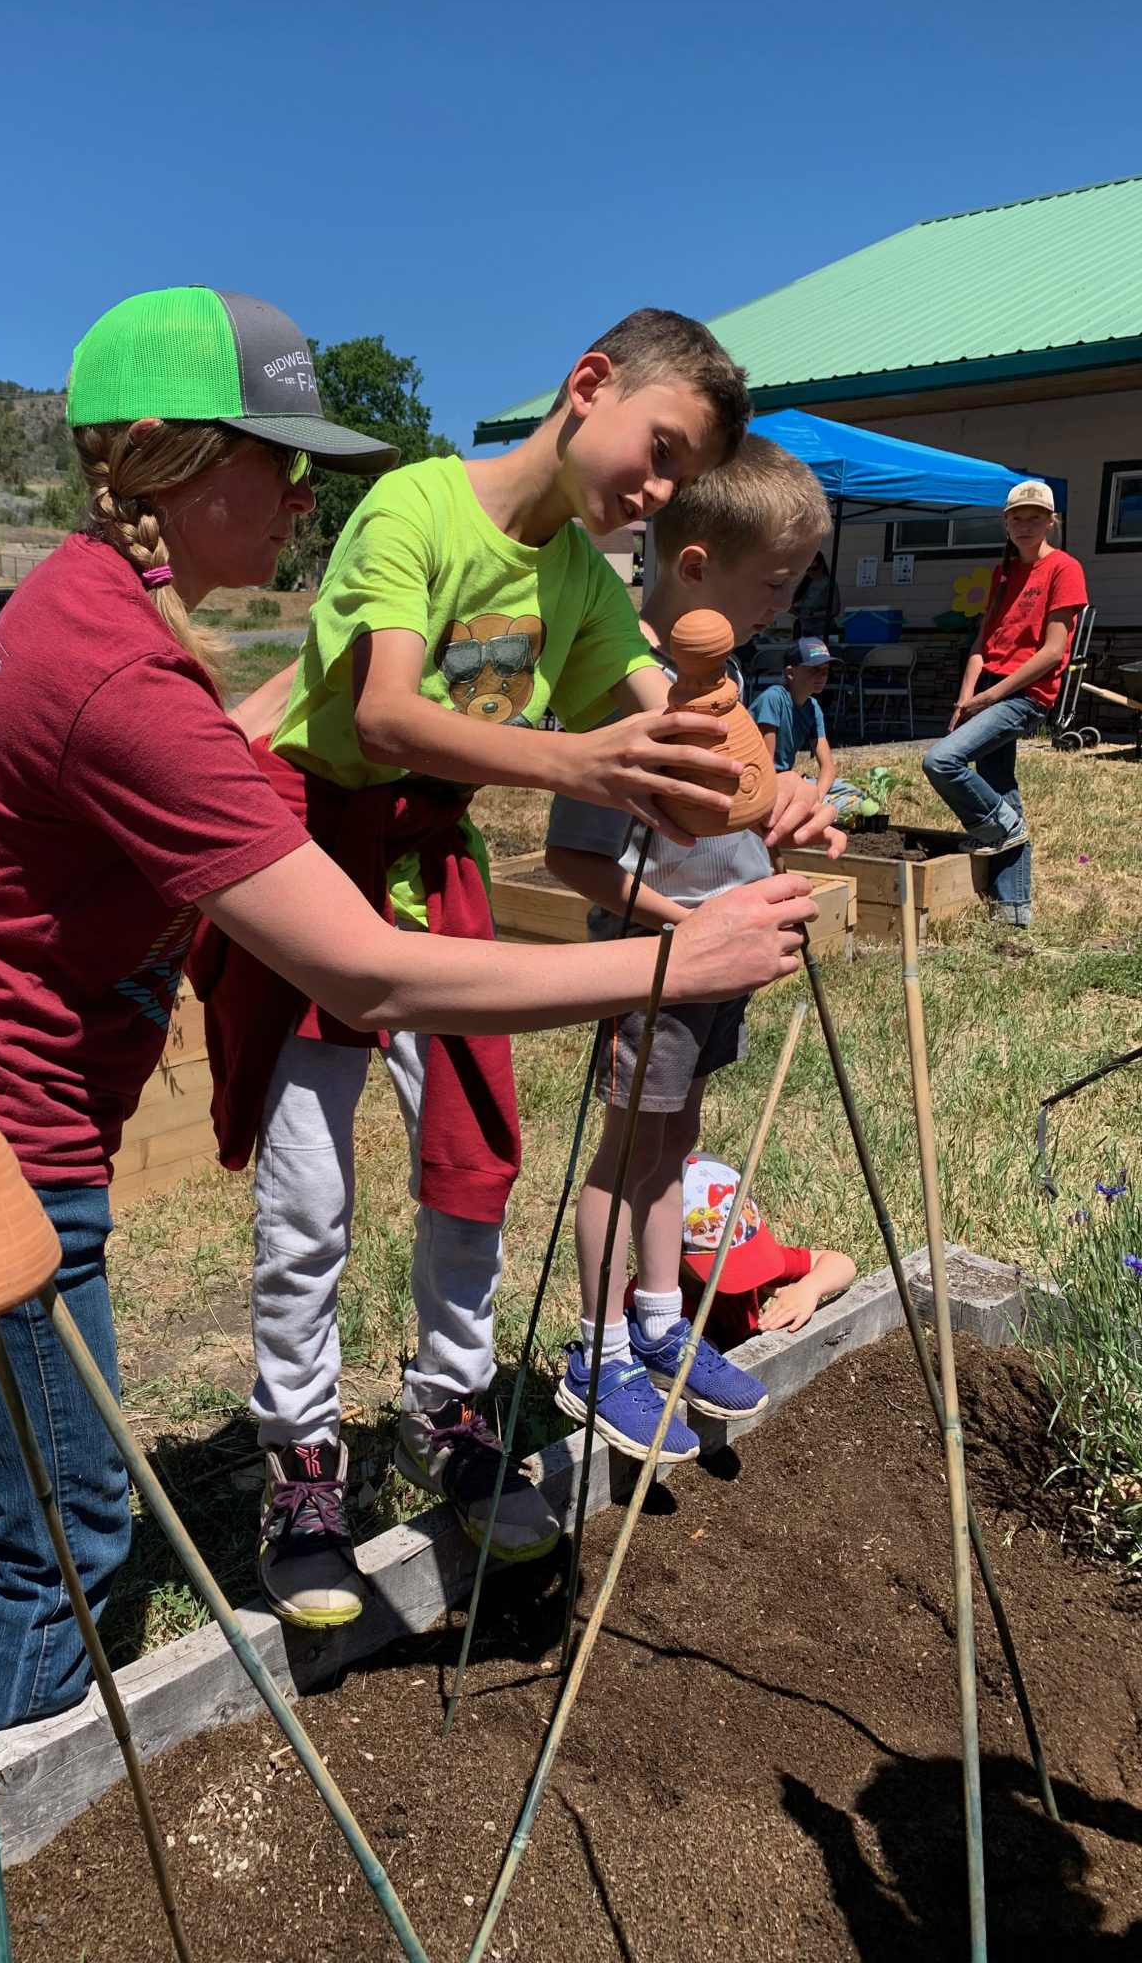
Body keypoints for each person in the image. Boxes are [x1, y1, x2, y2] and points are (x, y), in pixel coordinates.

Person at [0, 286, 823, 1748]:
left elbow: (289, 721)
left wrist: (763, 786)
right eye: (275, 456)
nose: (304, 491)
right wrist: (675, 961)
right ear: (166, 457)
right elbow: (365, 969)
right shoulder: (122, 671)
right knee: (64, 1533)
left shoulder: (105, 620)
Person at [196, 309, 839, 1631]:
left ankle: (455, 1413)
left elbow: (667, 716)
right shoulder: (413, 512)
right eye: (657, 448)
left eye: (683, 472)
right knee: (312, 1184)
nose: (656, 490)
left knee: (475, 1153)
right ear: (588, 385)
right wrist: (577, 762)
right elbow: (381, 713)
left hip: (429, 860)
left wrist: (763, 798)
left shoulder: (583, 584)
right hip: (317, 845)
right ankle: (302, 1471)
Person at [545, 439, 841, 1461]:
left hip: (727, 954)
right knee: (624, 1153)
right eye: (773, 583)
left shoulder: (724, 674)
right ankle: (596, 1347)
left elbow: (733, 818)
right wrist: (686, 932)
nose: (782, 603)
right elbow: (573, 857)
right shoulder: (618, 690)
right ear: (700, 567)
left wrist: (785, 826)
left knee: (677, 1143)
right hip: (658, 965)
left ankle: (663, 1319)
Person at [922, 479, 1087, 927]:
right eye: (1017, 517)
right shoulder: (1003, 572)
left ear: (1052, 521)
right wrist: (965, 697)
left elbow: (1054, 651)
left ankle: (1002, 828)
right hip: (990, 688)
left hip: (1025, 695)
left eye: (1035, 517)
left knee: (941, 761)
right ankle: (1013, 909)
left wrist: (992, 696)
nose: (1025, 525)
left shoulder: (1064, 569)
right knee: (1001, 788)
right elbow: (982, 642)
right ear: (1006, 522)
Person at [674, 1153, 857, 1350]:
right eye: (728, 1265)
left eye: (743, 1257)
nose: (743, 1272)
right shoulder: (650, 1308)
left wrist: (809, 1288)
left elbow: (841, 1263)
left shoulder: (752, 1267)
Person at [750, 636, 878, 823]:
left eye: (825, 670)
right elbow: (765, 765)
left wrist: (814, 798)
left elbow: (828, 767)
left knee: (859, 791)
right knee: (857, 806)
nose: (822, 675)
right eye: (813, 669)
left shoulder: (813, 707)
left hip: (791, 780)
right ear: (790, 672)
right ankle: (802, 813)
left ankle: (806, 811)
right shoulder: (773, 699)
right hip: (767, 784)